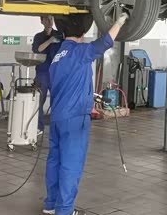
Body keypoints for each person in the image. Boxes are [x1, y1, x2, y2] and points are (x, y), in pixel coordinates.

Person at [42, 12, 127, 215]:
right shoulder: (79, 52)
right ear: (82, 34)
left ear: (64, 33)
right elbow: (104, 43)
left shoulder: (58, 55)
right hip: (74, 118)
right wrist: (120, 21)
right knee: (71, 164)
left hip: (57, 118)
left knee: (55, 161)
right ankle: (64, 210)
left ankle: (51, 204)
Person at [32, 15, 63, 133]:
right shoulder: (38, 36)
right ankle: (39, 127)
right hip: (43, 72)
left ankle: (57, 127)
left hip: (56, 72)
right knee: (39, 100)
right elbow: (37, 50)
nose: (50, 21)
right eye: (47, 19)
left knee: (58, 101)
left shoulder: (60, 35)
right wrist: (50, 41)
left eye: (51, 19)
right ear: (42, 21)